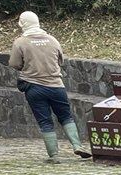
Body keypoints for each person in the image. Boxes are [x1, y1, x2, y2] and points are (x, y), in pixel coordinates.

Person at [8, 11, 91, 165]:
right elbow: (60, 60)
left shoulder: (20, 42)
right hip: (56, 86)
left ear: (23, 24)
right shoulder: (52, 40)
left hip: (34, 88)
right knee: (66, 117)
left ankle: (54, 155)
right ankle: (77, 145)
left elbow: (14, 64)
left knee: (45, 121)